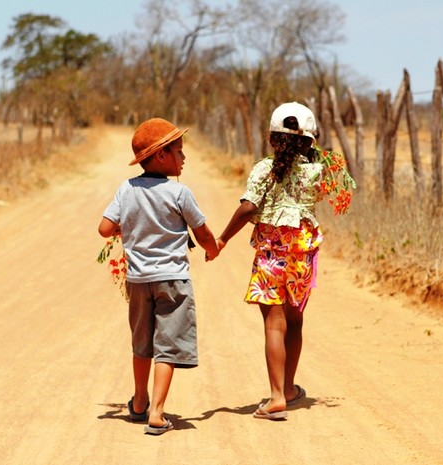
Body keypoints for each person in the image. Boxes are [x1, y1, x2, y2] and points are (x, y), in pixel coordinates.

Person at [98, 117, 219, 435]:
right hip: (173, 280)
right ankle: (158, 412)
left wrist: (131, 227)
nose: (183, 157)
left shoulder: (127, 188)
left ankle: (139, 401)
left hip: (138, 281)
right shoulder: (179, 193)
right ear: (161, 155)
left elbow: (104, 229)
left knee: (142, 342)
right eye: (179, 151)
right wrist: (213, 247)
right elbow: (202, 231)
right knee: (167, 344)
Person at [216, 102, 325, 420]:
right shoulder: (315, 172)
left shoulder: (264, 169)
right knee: (294, 320)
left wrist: (222, 238)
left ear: (271, 138)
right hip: (302, 253)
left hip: (272, 253)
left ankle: (277, 396)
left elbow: (250, 208)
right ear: (309, 140)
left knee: (273, 325)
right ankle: (289, 389)